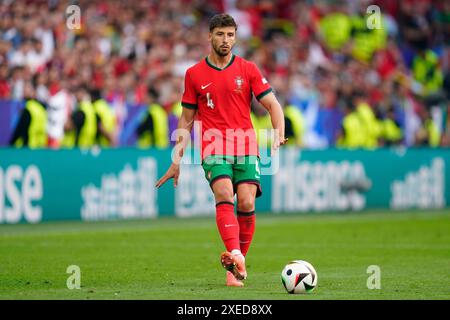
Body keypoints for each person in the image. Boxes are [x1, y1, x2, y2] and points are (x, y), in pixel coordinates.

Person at [155, 14, 286, 287]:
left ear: (235, 37)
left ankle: (235, 267)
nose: (225, 40)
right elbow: (186, 119)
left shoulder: (248, 69)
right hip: (213, 146)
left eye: (230, 35)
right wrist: (176, 159)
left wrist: (278, 132)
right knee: (225, 193)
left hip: (246, 145)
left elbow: (274, 105)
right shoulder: (194, 74)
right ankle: (236, 254)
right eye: (220, 34)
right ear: (210, 36)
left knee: (247, 202)